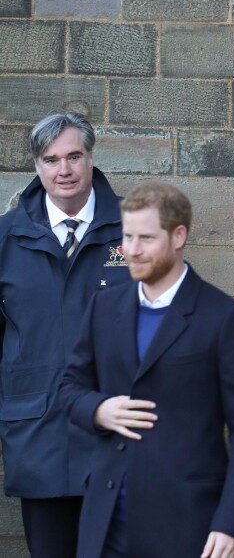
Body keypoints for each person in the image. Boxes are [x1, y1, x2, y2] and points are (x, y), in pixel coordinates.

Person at [59, 181, 234, 558]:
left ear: (178, 236)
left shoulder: (226, 318)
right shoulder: (104, 307)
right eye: (127, 237)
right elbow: (70, 386)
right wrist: (97, 409)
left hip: (186, 525)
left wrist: (231, 523)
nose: (133, 250)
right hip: (104, 521)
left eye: (146, 238)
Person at [0, 112, 130, 557]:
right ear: (37, 166)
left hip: (118, 437)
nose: (64, 170)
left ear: (91, 158)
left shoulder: (134, 232)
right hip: (39, 439)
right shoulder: (6, 239)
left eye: (74, 155)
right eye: (51, 159)